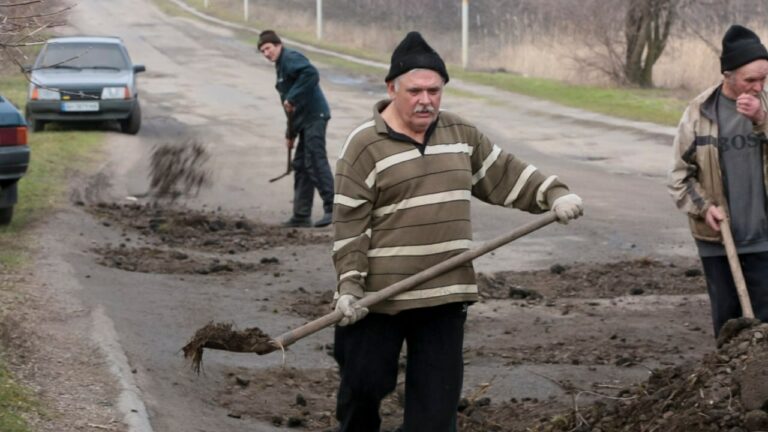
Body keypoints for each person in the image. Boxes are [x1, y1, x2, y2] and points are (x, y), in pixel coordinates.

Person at [330, 31, 583, 431]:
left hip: (444, 297)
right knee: (362, 391)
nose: (426, 100)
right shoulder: (363, 146)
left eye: (435, 90)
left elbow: (505, 174)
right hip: (378, 300)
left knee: (435, 415)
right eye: (415, 90)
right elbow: (349, 224)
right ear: (392, 88)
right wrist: (349, 286)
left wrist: (553, 194)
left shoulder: (461, 135)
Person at [668, 24, 768, 338]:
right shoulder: (700, 112)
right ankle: (726, 383)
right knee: (727, 324)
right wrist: (704, 207)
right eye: (750, 80)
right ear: (728, 75)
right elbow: (679, 176)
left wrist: (761, 121)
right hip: (718, 241)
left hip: (764, 239)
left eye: (764, 78)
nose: (758, 86)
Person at [258, 30, 334, 228]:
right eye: (262, 51)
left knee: (315, 160)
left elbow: (311, 73)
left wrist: (293, 96)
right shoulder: (281, 67)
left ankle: (335, 208)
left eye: (268, 48)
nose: (266, 53)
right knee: (300, 165)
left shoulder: (290, 58)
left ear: (278, 45)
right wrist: (289, 134)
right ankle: (301, 216)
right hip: (303, 121)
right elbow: (289, 108)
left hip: (315, 117)